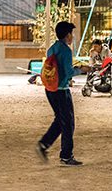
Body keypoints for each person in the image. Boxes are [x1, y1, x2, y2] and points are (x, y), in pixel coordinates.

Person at [36, 21, 86, 166]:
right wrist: (81, 70)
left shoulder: (52, 48)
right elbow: (68, 72)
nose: (73, 37)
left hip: (50, 89)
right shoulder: (66, 50)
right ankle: (66, 155)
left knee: (60, 120)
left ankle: (44, 144)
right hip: (62, 90)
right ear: (67, 35)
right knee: (68, 123)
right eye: (72, 33)